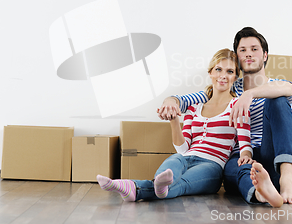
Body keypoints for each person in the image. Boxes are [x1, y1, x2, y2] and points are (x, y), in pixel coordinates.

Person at [158, 27, 292, 205]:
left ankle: (287, 182)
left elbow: (290, 89)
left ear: (264, 55)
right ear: (237, 59)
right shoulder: (228, 87)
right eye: (243, 50)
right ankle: (260, 193)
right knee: (237, 167)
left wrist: (250, 94)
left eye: (254, 49)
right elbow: (184, 99)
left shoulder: (276, 85)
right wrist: (170, 101)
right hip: (240, 156)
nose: (248, 54)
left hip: (270, 154)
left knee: (278, 101)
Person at [97, 49, 253, 202]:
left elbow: (245, 144)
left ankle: (131, 186)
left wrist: (246, 157)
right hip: (185, 157)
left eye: (230, 71)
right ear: (210, 72)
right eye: (218, 69)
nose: (223, 76)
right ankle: (139, 190)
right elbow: (183, 148)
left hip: (212, 164)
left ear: (235, 77)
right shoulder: (194, 107)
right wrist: (174, 120)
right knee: (173, 163)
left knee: (182, 184)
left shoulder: (237, 106)